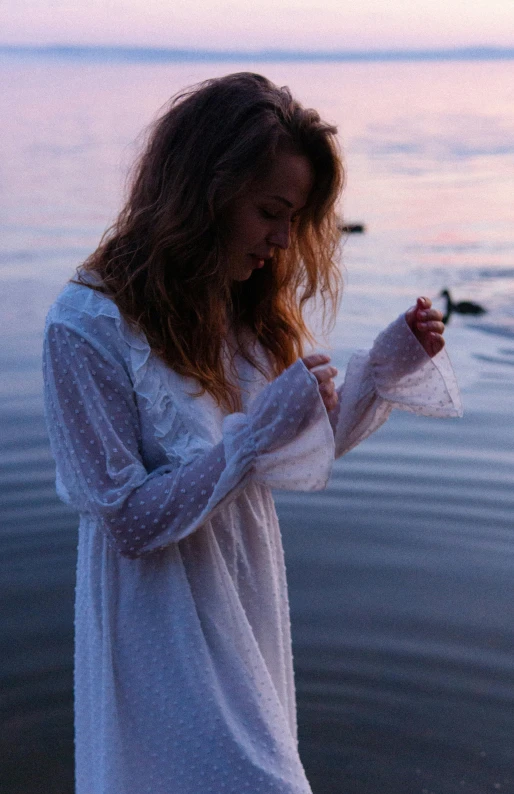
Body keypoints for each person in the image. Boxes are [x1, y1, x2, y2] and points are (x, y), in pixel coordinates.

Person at [42, 72, 462, 794]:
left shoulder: (239, 312)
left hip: (242, 606)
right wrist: (250, 436)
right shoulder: (85, 328)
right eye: (271, 211)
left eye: (295, 218)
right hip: (161, 630)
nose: (282, 239)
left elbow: (285, 453)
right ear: (204, 192)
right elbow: (130, 523)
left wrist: (380, 371)